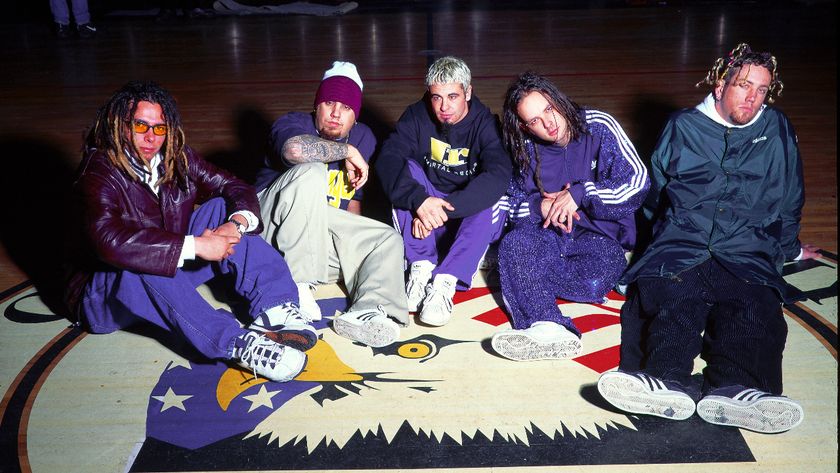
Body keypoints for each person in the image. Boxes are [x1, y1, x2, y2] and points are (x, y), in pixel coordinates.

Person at [597, 43, 820, 433]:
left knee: (755, 308)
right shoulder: (683, 126)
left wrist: (788, 248)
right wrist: (646, 251)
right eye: (744, 85)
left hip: (746, 248)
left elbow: (790, 195)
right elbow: (655, 194)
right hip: (683, 244)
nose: (753, 97)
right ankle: (664, 380)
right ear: (720, 86)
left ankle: (739, 390)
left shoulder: (778, 128)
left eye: (762, 89)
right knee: (671, 303)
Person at [65, 81, 317, 383]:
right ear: (120, 125)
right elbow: (110, 243)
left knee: (220, 210)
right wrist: (197, 246)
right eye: (140, 126)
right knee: (140, 260)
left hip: (170, 273)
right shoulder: (98, 171)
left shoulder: (176, 157)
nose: (150, 137)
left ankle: (276, 308)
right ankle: (236, 343)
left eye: (159, 128)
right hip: (104, 297)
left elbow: (234, 187)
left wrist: (234, 223)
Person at [491, 72, 649, 361]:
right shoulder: (523, 147)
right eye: (534, 121)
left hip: (597, 236)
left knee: (594, 283)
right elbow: (507, 203)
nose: (548, 123)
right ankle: (548, 326)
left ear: (557, 99)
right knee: (514, 245)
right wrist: (539, 206)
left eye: (548, 109)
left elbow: (638, 183)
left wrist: (581, 194)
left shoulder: (598, 126)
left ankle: (524, 278)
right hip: (547, 233)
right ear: (525, 126)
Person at [256, 61, 408, 348]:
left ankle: (367, 311)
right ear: (317, 105)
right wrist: (347, 150)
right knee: (312, 171)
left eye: (347, 108)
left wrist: (356, 247)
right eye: (329, 103)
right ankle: (296, 287)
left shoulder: (364, 138)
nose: (336, 114)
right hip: (269, 230)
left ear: (356, 116)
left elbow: (352, 203)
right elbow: (294, 150)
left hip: (316, 239)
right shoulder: (292, 124)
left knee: (385, 239)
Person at [375, 56, 512, 326]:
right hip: (425, 219)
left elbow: (498, 175)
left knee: (492, 194)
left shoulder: (486, 124)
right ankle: (420, 268)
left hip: (465, 220)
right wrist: (420, 201)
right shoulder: (416, 115)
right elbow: (388, 159)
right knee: (405, 168)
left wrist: (440, 210)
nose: (444, 107)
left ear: (468, 92)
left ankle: (445, 282)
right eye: (437, 98)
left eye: (452, 96)